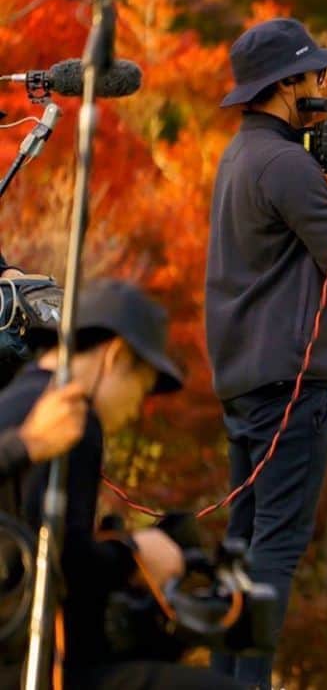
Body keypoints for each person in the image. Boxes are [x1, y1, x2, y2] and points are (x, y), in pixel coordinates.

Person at [204, 17, 327, 688]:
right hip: (290, 379)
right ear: (288, 84)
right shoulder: (286, 163)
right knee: (277, 546)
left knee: (243, 542)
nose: (323, 84)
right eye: (316, 74)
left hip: (245, 375)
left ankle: (227, 678)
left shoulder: (242, 155)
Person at [0, 278, 245, 689]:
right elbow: (67, 563)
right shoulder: (73, 419)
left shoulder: (16, 398)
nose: (135, 409)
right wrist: (134, 556)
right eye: (141, 388)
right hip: (37, 669)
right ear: (115, 356)